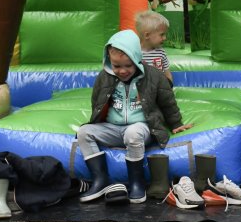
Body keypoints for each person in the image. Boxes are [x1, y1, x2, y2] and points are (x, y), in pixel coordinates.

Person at [76, 30, 192, 204]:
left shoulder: (153, 76)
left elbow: (168, 101)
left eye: (128, 66)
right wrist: (98, 120)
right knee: (84, 132)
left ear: (137, 58)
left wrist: (175, 123)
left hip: (142, 126)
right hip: (113, 128)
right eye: (116, 66)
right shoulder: (105, 76)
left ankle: (136, 182)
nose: (122, 71)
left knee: (133, 133)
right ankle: (100, 179)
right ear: (109, 61)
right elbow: (97, 100)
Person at [136, 10, 173, 84]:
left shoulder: (161, 52)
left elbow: (167, 74)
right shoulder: (135, 53)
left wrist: (169, 88)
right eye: (162, 34)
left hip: (159, 87)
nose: (165, 38)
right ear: (147, 35)